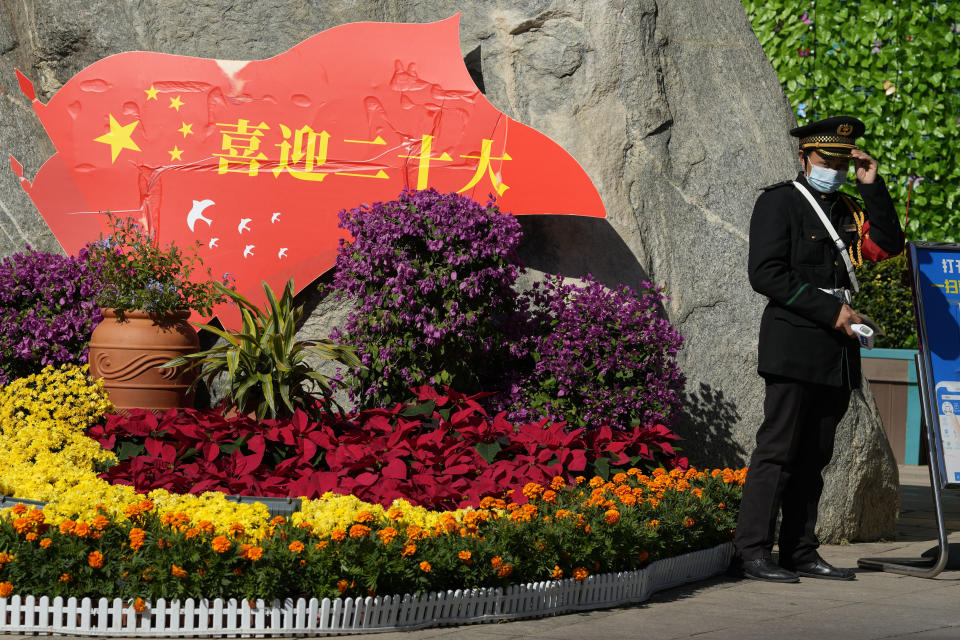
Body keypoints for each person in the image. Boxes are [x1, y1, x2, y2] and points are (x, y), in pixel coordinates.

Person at [734, 115, 904, 583]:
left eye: (843, 163)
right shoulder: (780, 203)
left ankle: (800, 550)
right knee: (779, 451)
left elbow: (886, 247)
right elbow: (765, 273)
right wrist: (831, 313)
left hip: (837, 351)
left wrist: (874, 187)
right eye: (827, 160)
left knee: (816, 456)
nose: (836, 169)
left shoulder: (849, 207)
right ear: (804, 156)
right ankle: (751, 551)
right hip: (793, 343)